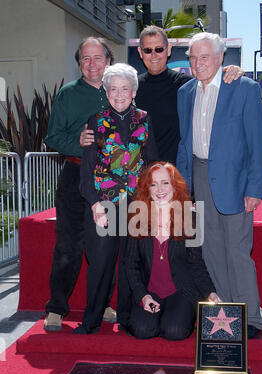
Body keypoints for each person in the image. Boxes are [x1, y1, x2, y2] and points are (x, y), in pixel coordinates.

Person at [176, 32, 262, 339]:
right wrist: (183, 187)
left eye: (204, 57)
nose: (197, 63)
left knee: (237, 250)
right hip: (199, 176)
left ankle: (252, 318)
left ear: (220, 59)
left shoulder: (243, 88)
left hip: (235, 181)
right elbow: (184, 142)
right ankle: (229, 315)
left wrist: (255, 189)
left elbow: (259, 143)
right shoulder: (186, 92)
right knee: (211, 251)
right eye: (192, 57)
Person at [73, 63, 158, 334]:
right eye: (113, 89)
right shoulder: (94, 122)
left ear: (134, 91)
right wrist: (95, 204)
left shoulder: (145, 118)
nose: (119, 94)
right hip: (103, 204)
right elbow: (86, 170)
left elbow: (152, 162)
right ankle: (91, 320)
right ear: (106, 92)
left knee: (130, 263)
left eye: (124, 89)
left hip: (136, 204)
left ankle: (126, 318)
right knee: (100, 263)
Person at [80, 26, 243, 164]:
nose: (154, 55)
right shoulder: (131, 88)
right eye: (148, 50)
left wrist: (230, 71)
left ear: (168, 50)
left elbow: (213, 86)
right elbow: (109, 120)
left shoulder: (187, 85)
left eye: (159, 49)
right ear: (140, 52)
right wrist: (87, 137)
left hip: (177, 173)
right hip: (138, 175)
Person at [43, 37, 114, 331]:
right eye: (86, 59)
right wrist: (77, 142)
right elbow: (52, 137)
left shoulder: (120, 90)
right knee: (68, 246)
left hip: (110, 180)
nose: (92, 63)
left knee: (105, 247)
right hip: (74, 176)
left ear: (108, 60)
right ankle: (56, 308)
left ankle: (104, 304)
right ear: (79, 64)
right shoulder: (68, 94)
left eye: (98, 57)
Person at [125, 162, 220, 340]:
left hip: (181, 291)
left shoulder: (189, 219)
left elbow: (196, 265)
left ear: (175, 186)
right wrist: (143, 296)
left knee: (174, 331)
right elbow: (131, 265)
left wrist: (210, 292)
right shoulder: (137, 219)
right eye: (153, 184)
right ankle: (155, 315)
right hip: (149, 291)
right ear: (147, 189)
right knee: (142, 330)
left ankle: (177, 314)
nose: (160, 189)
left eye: (165, 182)